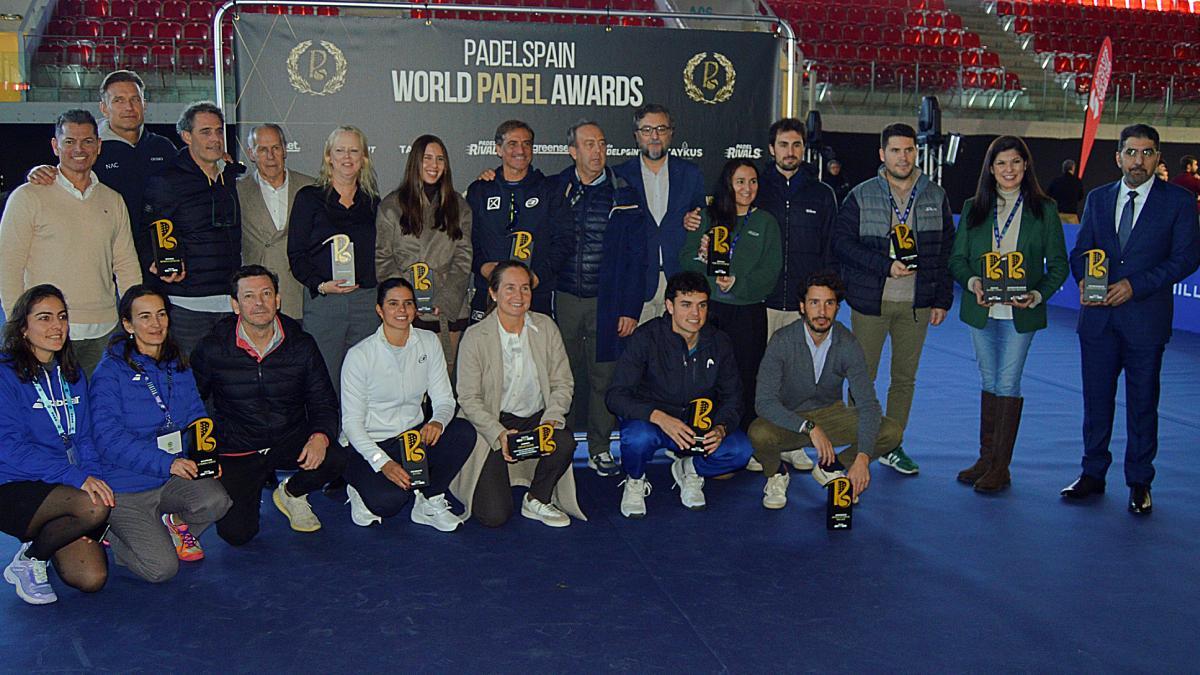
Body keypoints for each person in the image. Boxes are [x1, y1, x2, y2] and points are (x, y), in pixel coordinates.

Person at [1061, 124, 1200, 514]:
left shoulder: (1179, 201)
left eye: (1148, 153)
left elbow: (1186, 258)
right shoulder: (1099, 199)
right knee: (1096, 402)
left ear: (1158, 157)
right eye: (1132, 152)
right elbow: (1081, 249)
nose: (1139, 161)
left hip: (1145, 321)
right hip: (1098, 322)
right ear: (1118, 156)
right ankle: (1092, 474)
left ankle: (1140, 481)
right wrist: (1082, 276)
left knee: (1142, 405)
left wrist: (1135, 286)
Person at [831, 122, 956, 477]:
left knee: (904, 379)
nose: (903, 157)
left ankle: (891, 443)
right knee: (862, 377)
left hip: (916, 305)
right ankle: (860, 444)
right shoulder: (861, 194)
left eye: (909, 150)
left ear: (916, 152)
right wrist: (885, 266)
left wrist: (942, 299)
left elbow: (946, 250)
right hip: (871, 302)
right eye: (896, 150)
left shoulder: (935, 194)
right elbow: (841, 244)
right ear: (882, 154)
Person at [190, 265, 346, 544]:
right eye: (249, 296)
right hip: (238, 447)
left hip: (289, 438)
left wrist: (320, 436)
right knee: (237, 535)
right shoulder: (213, 347)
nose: (259, 303)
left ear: (278, 300)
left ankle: (291, 493)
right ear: (235, 305)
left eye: (266, 294)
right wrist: (203, 452)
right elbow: (192, 402)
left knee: (337, 455)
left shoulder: (302, 344)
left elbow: (323, 399)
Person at [948, 136, 1069, 493]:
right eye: (1001, 163)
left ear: (1026, 164)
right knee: (988, 382)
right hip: (983, 310)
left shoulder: (1043, 208)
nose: (1009, 169)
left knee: (1007, 383)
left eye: (1015, 161)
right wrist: (973, 283)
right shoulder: (974, 207)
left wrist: (1037, 294)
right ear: (991, 168)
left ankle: (1001, 466)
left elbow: (1059, 264)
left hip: (1020, 313)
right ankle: (987, 458)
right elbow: (957, 259)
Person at [90, 286, 231, 582]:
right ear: (128, 325)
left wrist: (204, 454)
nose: (156, 324)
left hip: (170, 478)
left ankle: (173, 524)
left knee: (217, 501)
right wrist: (165, 463)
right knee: (161, 570)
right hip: (125, 486)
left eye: (161, 314)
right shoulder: (109, 373)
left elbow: (195, 413)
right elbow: (108, 438)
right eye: (144, 317)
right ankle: (113, 532)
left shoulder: (176, 364)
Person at [0, 109, 142, 374]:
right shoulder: (28, 197)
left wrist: (136, 318)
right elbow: (8, 266)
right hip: (45, 332)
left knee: (100, 411)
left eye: (87, 141)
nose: (79, 149)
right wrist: (17, 326)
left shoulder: (113, 200)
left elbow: (126, 265)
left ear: (99, 146)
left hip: (104, 331)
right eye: (69, 141)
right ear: (55, 146)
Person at [606, 271, 753, 518]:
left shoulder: (720, 342)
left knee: (740, 451)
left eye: (701, 305)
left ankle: (690, 469)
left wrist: (721, 428)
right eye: (686, 305)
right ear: (669, 306)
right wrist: (659, 417)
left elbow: (733, 397)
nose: (695, 314)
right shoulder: (646, 337)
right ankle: (635, 480)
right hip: (654, 422)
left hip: (698, 425)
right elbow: (616, 396)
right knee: (637, 437)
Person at [748, 273, 903, 509]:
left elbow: (868, 404)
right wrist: (809, 428)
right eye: (814, 303)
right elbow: (764, 402)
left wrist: (862, 456)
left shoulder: (847, 343)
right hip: (792, 419)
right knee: (758, 433)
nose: (822, 311)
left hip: (832, 414)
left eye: (829, 303)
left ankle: (831, 467)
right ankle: (776, 473)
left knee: (891, 431)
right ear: (802, 307)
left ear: (837, 308)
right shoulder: (782, 341)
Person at [0, 285, 112, 604]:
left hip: (59, 484)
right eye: (45, 318)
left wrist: (92, 476)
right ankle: (33, 559)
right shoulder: (5, 373)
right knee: (92, 506)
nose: (57, 326)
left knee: (91, 578)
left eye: (62, 317)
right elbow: (8, 448)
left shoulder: (72, 375)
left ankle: (41, 541)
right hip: (13, 482)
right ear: (23, 327)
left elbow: (85, 437)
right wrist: (77, 479)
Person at [339, 278, 477, 530]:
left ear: (415, 308)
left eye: (407, 304)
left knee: (462, 431)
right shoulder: (360, 356)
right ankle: (358, 488)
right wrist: (383, 462)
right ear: (379, 310)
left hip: (411, 440)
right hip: (369, 443)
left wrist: (437, 421)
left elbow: (445, 400)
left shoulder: (428, 341)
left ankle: (429, 499)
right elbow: (351, 424)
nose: (402, 311)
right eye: (393, 304)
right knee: (390, 502)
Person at [453, 261, 583, 528]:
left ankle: (537, 498)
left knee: (564, 440)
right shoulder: (475, 336)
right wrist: (498, 433)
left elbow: (563, 383)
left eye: (525, 288)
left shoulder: (546, 327)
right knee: (493, 516)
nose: (519, 296)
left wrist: (551, 421)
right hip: (491, 425)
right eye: (510, 288)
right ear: (493, 293)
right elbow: (467, 397)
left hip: (536, 420)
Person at [552, 120, 646, 476]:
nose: (597, 151)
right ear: (573, 151)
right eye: (588, 144)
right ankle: (559, 448)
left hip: (607, 303)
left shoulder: (625, 192)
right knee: (561, 377)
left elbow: (638, 257)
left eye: (602, 143)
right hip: (562, 299)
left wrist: (630, 308)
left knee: (604, 378)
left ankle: (600, 447)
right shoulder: (555, 188)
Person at [749, 117, 838, 472]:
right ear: (771, 149)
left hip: (804, 308)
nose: (790, 151)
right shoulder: (756, 190)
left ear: (804, 149)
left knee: (800, 380)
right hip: (761, 302)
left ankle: (794, 442)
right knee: (761, 375)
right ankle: (760, 444)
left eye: (796, 145)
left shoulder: (822, 194)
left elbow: (830, 251)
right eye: (783, 145)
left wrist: (823, 302)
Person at [26, 70, 178, 273]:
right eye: (119, 100)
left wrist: (219, 160)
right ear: (104, 108)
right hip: (100, 262)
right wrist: (39, 172)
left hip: (154, 262)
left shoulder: (162, 147)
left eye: (135, 99)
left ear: (144, 104)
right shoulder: (89, 150)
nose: (129, 107)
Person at [679, 159, 781, 431]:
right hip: (710, 311)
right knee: (707, 376)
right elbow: (686, 262)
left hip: (749, 313)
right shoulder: (706, 217)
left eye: (753, 182)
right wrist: (702, 259)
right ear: (728, 184)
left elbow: (770, 272)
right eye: (740, 182)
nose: (747, 188)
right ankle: (701, 435)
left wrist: (738, 283)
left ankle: (742, 436)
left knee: (746, 377)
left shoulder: (765, 222)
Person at [142, 101, 243, 355]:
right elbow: (149, 233)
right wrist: (156, 263)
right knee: (190, 382)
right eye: (205, 132)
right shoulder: (166, 181)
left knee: (228, 383)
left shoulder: (232, 176)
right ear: (187, 136)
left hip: (230, 301)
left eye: (219, 131)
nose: (215, 138)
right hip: (187, 305)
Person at [287, 126, 381, 398]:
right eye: (340, 150)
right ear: (329, 157)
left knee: (363, 377)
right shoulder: (309, 198)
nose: (347, 157)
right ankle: (327, 435)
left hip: (365, 301)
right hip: (325, 302)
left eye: (354, 150)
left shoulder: (373, 203)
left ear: (364, 157)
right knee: (324, 375)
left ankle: (357, 436)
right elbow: (296, 254)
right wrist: (321, 285)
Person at [375, 134, 472, 376]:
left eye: (440, 159)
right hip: (406, 311)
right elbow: (384, 260)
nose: (434, 165)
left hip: (447, 309)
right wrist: (406, 302)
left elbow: (463, 258)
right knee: (406, 384)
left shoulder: (459, 206)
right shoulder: (391, 206)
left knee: (443, 384)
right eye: (427, 158)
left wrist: (445, 300)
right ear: (415, 162)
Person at [465, 120, 570, 320]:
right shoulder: (480, 190)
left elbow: (564, 240)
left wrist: (536, 277)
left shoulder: (549, 190)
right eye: (513, 143)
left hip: (536, 294)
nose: (520, 150)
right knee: (486, 350)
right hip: (489, 292)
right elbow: (467, 240)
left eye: (527, 143)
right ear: (498, 149)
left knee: (534, 350)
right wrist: (482, 266)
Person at [612, 104, 706, 324]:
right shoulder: (618, 176)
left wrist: (694, 220)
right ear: (637, 136)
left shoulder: (690, 173)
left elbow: (703, 219)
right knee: (638, 354)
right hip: (635, 283)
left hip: (680, 281)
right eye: (647, 130)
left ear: (671, 134)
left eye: (661, 129)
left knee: (676, 352)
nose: (654, 136)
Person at [238, 123, 316, 322]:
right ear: (251, 154)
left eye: (276, 148)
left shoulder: (312, 188)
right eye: (262, 150)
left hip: (299, 295)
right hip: (256, 300)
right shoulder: (238, 190)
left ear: (285, 150)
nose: (270, 156)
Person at [1045, 159, 1085, 224]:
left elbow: (1048, 195)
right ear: (1073, 168)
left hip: (1058, 215)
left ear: (1063, 169)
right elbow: (1080, 196)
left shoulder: (1056, 181)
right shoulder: (1077, 182)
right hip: (1072, 216)